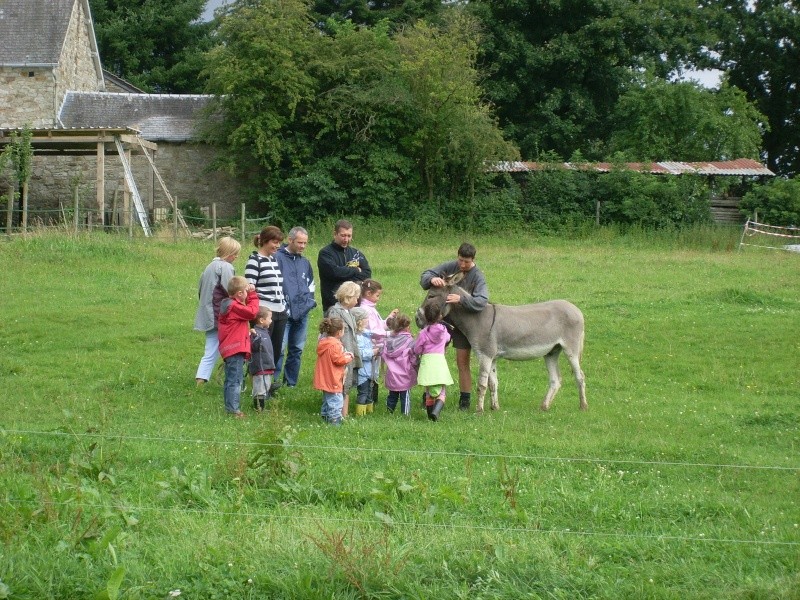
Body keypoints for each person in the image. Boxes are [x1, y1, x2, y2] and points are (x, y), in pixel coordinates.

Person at [420, 242, 488, 411]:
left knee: (462, 361)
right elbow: (426, 275)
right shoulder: (451, 266)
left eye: (466, 262)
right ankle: (429, 396)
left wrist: (462, 300)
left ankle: (464, 401)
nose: (462, 265)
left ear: (473, 260)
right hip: (442, 321)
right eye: (460, 260)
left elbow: (482, 300)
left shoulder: (477, 276)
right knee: (432, 357)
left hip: (464, 326)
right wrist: (431, 279)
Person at [245, 226, 288, 394]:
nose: (277, 246)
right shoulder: (255, 260)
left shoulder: (273, 259)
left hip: (279, 310)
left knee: (276, 350)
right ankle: (259, 386)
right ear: (264, 241)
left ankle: (268, 384)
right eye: (274, 242)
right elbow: (250, 288)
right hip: (264, 311)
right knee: (262, 350)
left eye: (279, 243)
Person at [193, 236, 241, 385]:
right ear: (228, 253)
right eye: (234, 253)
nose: (236, 257)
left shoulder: (209, 267)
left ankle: (201, 379)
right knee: (233, 347)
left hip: (208, 313)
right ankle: (233, 378)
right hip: (220, 315)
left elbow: (200, 291)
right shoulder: (225, 267)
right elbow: (231, 289)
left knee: (210, 349)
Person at [274, 226, 317, 388]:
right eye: (300, 243)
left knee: (297, 349)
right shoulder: (277, 258)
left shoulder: (305, 262)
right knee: (280, 348)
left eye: (305, 243)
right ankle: (274, 381)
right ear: (290, 240)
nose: (303, 246)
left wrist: (309, 303)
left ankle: (290, 383)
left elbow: (311, 285)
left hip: (302, 312)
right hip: (283, 312)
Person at [218, 276, 259, 418]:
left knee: (231, 379)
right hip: (235, 349)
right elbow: (252, 312)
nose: (248, 293)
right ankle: (233, 410)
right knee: (235, 380)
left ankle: (231, 407)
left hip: (230, 347)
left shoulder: (229, 304)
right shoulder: (234, 306)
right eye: (246, 291)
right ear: (240, 294)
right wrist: (253, 295)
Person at [317, 219, 372, 313]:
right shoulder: (325, 253)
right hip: (333, 306)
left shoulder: (356, 254)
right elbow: (334, 273)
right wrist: (355, 270)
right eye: (343, 235)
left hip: (355, 306)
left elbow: (367, 274)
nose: (346, 239)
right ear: (335, 234)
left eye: (349, 236)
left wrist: (344, 272)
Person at [325, 281, 361, 417]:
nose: (357, 300)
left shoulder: (349, 312)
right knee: (340, 384)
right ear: (348, 297)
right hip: (339, 353)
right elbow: (332, 333)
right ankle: (338, 414)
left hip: (348, 353)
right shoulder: (335, 311)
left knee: (347, 384)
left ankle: (343, 414)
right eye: (355, 297)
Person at [359, 279, 398, 406]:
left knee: (373, 373)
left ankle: (371, 401)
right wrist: (389, 334)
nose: (379, 298)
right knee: (370, 374)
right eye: (377, 295)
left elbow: (378, 325)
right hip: (371, 346)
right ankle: (369, 400)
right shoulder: (366, 310)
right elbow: (372, 331)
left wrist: (388, 320)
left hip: (375, 345)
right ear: (369, 294)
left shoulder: (371, 308)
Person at [414, 302, 454, 421]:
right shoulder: (443, 330)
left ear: (425, 317)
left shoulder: (423, 333)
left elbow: (417, 349)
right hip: (439, 362)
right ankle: (436, 412)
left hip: (427, 362)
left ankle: (430, 415)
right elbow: (448, 339)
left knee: (428, 391)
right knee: (442, 391)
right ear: (440, 316)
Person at [313, 317, 354, 426]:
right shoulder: (336, 345)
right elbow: (339, 360)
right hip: (333, 378)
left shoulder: (323, 342)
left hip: (324, 377)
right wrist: (349, 356)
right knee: (336, 400)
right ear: (339, 332)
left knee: (327, 399)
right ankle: (335, 422)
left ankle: (325, 417)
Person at [381, 313, 417, 416]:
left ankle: (389, 412)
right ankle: (405, 415)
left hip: (392, 375)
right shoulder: (409, 341)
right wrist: (416, 366)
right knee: (405, 396)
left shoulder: (388, 341)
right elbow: (413, 357)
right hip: (405, 374)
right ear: (407, 327)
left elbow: (383, 353)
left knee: (392, 395)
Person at [352, 307, 378, 416]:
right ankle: (360, 413)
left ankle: (369, 411)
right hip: (362, 371)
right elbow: (360, 354)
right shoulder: (357, 337)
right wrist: (373, 352)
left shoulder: (366, 334)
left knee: (369, 392)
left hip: (370, 371)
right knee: (363, 392)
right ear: (360, 321)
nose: (368, 320)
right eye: (366, 318)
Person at [249, 307, 275, 412]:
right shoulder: (256, 333)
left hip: (267, 365)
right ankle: (259, 408)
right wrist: (254, 336)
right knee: (260, 388)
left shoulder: (265, 332)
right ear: (261, 320)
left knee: (265, 387)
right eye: (269, 318)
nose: (271, 321)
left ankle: (261, 407)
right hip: (260, 366)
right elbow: (254, 347)